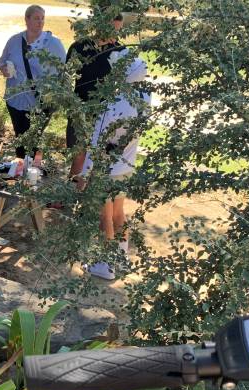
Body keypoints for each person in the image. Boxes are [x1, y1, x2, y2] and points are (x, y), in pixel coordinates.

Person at [80, 49, 149, 280]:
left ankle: (105, 264)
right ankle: (122, 257)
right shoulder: (144, 100)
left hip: (107, 168)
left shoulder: (112, 102)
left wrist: (85, 173)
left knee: (104, 216)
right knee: (119, 213)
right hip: (126, 164)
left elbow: (97, 141)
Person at [0, 5, 66, 159]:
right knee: (20, 137)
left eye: (42, 18)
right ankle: (21, 172)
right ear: (26, 19)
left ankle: (27, 175)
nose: (40, 22)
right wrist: (5, 70)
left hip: (40, 103)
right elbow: (2, 63)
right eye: (36, 18)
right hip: (15, 100)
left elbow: (63, 72)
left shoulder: (54, 44)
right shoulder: (14, 41)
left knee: (33, 141)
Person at [66, 13, 126, 182]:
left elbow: (124, 87)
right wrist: (70, 102)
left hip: (104, 115)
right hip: (78, 111)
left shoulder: (120, 52)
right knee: (77, 155)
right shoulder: (79, 47)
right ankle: (70, 195)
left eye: (117, 31)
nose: (114, 35)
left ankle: (87, 202)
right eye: (110, 29)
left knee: (96, 160)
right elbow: (64, 78)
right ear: (99, 24)